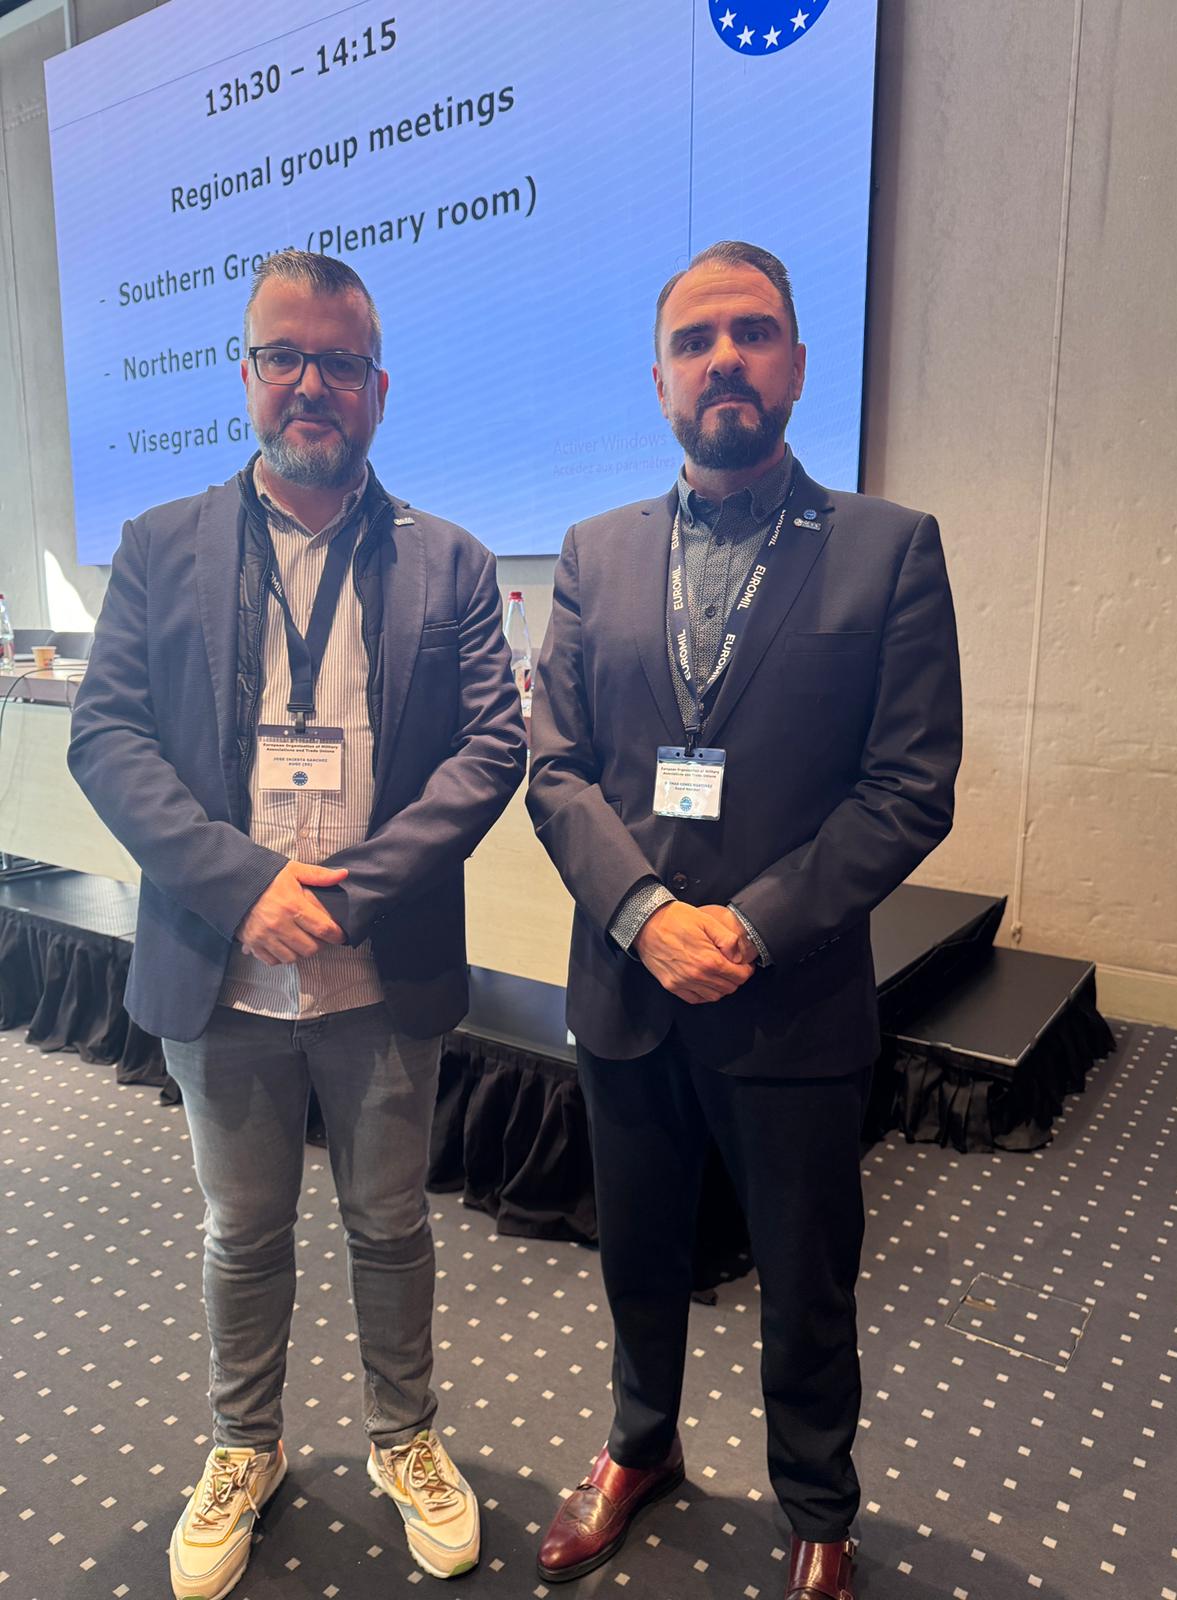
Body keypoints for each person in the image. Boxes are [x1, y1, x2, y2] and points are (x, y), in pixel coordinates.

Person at [69, 250, 526, 1597]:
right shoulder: (160, 547)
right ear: (248, 374)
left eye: (338, 363)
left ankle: (404, 1439)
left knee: (389, 1223)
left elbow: (493, 746)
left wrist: (356, 892)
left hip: (380, 968)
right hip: (223, 964)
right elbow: (109, 734)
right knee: (242, 1229)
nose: (310, 384)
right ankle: (244, 1445)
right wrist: (239, 883)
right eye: (285, 356)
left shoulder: (448, 560)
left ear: (378, 391)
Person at [526, 241, 962, 1599]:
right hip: (626, 989)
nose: (726, 358)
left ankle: (819, 1510)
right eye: (698, 338)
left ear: (795, 366)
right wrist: (649, 915)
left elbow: (909, 788)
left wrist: (752, 927)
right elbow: (555, 767)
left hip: (793, 998)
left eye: (754, 332)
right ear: (659, 378)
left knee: (807, 1283)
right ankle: (637, 1446)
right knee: (639, 1252)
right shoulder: (595, 554)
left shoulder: (890, 550)